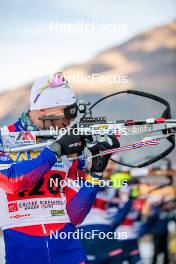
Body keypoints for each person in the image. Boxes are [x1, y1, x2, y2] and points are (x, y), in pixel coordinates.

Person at [0, 72, 119, 264]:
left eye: (74, 111)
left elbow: (75, 214)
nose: (71, 119)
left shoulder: (68, 146)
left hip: (67, 247)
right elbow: (11, 182)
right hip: (24, 249)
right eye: (67, 110)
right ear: (42, 110)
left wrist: (96, 172)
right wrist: (55, 150)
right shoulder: (3, 138)